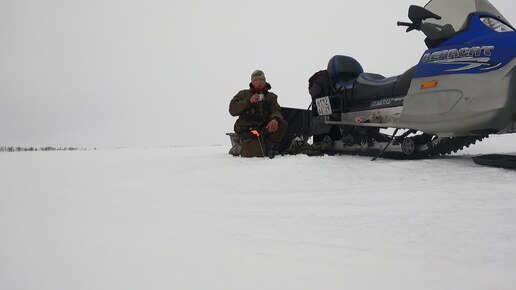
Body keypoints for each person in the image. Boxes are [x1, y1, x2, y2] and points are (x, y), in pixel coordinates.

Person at [229, 70, 288, 157]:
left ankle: (265, 147)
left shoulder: (271, 97)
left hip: (263, 129)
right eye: (256, 80)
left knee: (282, 124)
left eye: (261, 79)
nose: (259, 82)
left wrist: (275, 119)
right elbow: (232, 110)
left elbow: (276, 110)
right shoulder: (243, 94)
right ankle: (238, 148)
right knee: (258, 154)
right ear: (252, 82)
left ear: (265, 81)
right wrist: (248, 101)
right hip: (247, 130)